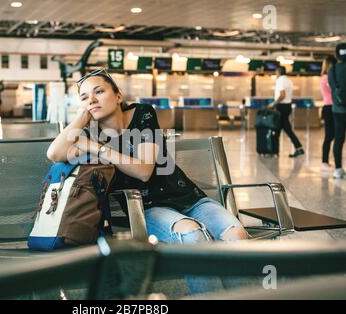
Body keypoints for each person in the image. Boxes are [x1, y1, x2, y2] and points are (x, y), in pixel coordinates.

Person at [47, 68, 250, 293]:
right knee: (192, 236)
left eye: (99, 92)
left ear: (118, 96)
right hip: (147, 209)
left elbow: (143, 170)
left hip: (190, 199)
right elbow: (54, 154)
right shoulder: (89, 132)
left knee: (237, 236)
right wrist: (79, 118)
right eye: (84, 97)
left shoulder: (143, 114)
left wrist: (98, 149)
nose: (92, 100)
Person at [267, 66, 304, 157]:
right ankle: (298, 148)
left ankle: (275, 152)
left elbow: (282, 95)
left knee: (278, 129)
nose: (275, 74)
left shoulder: (280, 80)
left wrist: (273, 104)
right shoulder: (288, 80)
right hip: (288, 106)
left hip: (281, 107)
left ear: (279, 72)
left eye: (276, 72)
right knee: (284, 128)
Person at [328, 43, 346, 179]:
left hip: (337, 109)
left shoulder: (331, 70)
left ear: (336, 55)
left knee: (339, 139)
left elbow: (333, 89)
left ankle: (338, 169)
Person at [320, 56, 337, 171]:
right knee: (329, 136)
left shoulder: (325, 77)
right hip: (329, 107)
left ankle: (326, 161)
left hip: (330, 107)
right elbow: (334, 91)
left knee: (333, 135)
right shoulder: (326, 78)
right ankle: (324, 161)